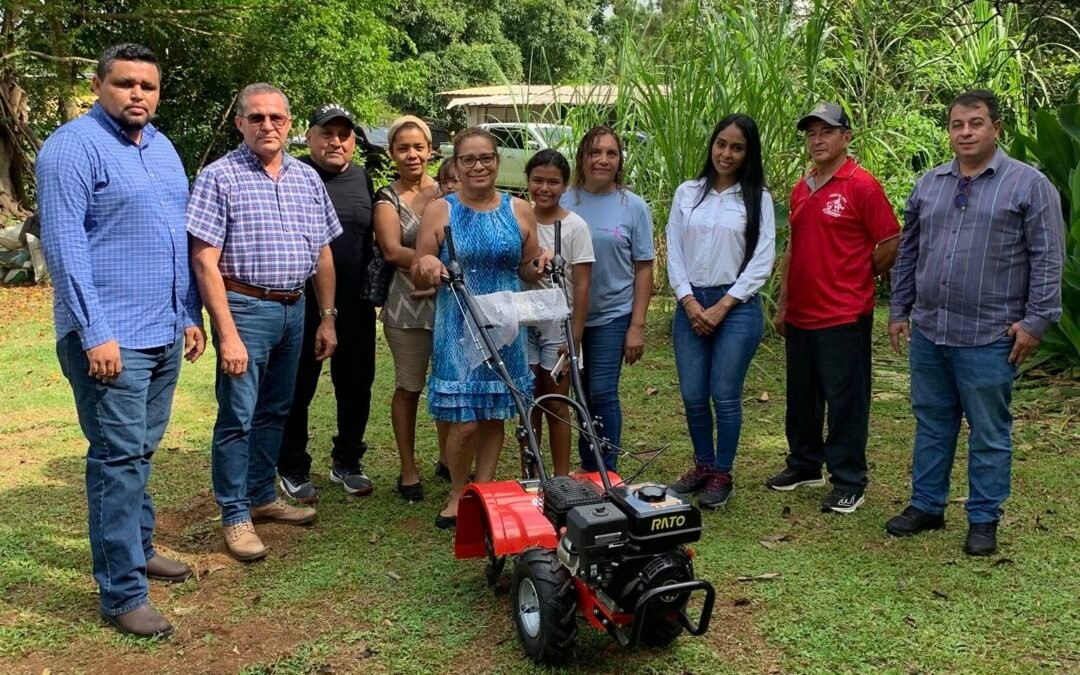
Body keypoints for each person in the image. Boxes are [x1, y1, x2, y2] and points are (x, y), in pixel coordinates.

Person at [37, 43, 205, 638]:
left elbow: (174, 238)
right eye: (126, 83)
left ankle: (138, 547)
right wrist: (95, 331)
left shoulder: (161, 149)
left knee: (140, 452)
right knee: (116, 461)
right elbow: (64, 247)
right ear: (98, 85)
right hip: (110, 340)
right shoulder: (70, 149)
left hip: (162, 330)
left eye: (148, 86)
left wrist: (189, 313)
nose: (138, 94)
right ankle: (121, 591)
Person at [885, 90, 1064, 555]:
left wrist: (1036, 322)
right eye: (957, 124)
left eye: (976, 123)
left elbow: (1049, 258)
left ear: (996, 128)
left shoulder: (1028, 185)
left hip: (990, 335)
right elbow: (909, 253)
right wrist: (899, 309)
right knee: (932, 421)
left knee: (988, 430)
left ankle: (983, 518)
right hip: (930, 330)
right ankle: (927, 505)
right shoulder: (930, 184)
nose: (965, 132)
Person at [187, 83, 342, 561]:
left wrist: (328, 317)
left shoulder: (306, 178)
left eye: (276, 117)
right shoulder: (219, 177)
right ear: (240, 124)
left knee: (276, 409)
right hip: (246, 310)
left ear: (290, 124)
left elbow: (323, 252)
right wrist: (227, 332)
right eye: (256, 118)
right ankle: (235, 514)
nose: (267, 125)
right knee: (238, 415)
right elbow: (203, 260)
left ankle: (261, 496)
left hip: (295, 309)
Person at [412, 127, 552, 529]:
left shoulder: (519, 209)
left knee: (494, 413)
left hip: (504, 322)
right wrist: (428, 266)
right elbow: (419, 269)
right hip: (458, 323)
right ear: (456, 164)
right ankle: (459, 491)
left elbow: (526, 268)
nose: (478, 166)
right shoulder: (441, 210)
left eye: (486, 158)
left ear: (497, 161)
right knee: (466, 418)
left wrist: (537, 264)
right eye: (468, 159)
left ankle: (485, 490)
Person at [767, 102, 900, 514]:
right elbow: (793, 248)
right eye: (811, 133)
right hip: (803, 313)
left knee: (846, 400)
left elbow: (891, 241)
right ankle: (805, 463)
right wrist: (784, 303)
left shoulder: (862, 184)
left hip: (844, 314)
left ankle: (849, 479)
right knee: (802, 396)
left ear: (846, 137)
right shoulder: (802, 186)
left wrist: (860, 275)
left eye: (826, 131)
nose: (818, 140)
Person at [666, 114, 776, 508]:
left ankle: (722, 474)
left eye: (737, 147)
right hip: (690, 302)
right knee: (694, 395)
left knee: (724, 394)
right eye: (721, 144)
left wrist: (724, 304)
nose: (726, 153)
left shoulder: (757, 197)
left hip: (738, 307)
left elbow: (763, 259)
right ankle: (702, 465)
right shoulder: (688, 193)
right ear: (712, 145)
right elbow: (674, 251)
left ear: (748, 154)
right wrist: (690, 301)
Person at [276, 103, 378, 503]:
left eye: (344, 135)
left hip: (354, 304)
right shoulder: (291, 175)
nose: (336, 141)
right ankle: (293, 466)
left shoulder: (362, 179)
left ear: (353, 141)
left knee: (356, 386)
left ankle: (347, 461)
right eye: (327, 133)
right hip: (301, 303)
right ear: (309, 136)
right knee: (297, 388)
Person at [562, 125, 655, 472]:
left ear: (620, 160)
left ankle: (604, 468)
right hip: (567, 317)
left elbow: (643, 268)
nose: (603, 160)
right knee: (577, 393)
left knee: (601, 391)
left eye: (611, 153)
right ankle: (586, 464)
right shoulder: (563, 200)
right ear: (582, 157)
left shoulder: (633, 207)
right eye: (595, 152)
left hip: (612, 315)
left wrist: (637, 326)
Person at [372, 115, 448, 502]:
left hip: (451, 306)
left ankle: (449, 458)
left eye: (419, 146)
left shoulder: (448, 190)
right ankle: (408, 467)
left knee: (449, 383)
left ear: (431, 149)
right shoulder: (387, 198)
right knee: (409, 386)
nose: (412, 154)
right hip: (406, 309)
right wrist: (434, 263)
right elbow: (391, 250)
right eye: (403, 147)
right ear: (392, 153)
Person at [524, 149, 595, 476]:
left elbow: (581, 285)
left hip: (559, 326)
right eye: (538, 180)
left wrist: (575, 336)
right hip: (523, 321)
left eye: (553, 182)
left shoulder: (576, 227)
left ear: (565, 186)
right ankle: (533, 474)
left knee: (556, 404)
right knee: (529, 405)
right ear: (527, 182)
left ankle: (562, 476)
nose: (545, 188)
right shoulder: (518, 219)